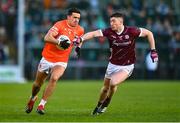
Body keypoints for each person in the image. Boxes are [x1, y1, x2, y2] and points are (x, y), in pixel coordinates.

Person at [73, 12, 158, 115]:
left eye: (114, 21)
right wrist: (81, 39)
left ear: (121, 22)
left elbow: (149, 33)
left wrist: (153, 50)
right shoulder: (109, 32)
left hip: (127, 66)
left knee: (113, 83)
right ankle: (99, 105)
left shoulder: (132, 31)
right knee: (105, 88)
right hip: (112, 65)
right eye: (110, 21)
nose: (111, 23)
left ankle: (107, 101)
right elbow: (93, 33)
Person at [25, 8, 84, 115]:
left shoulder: (80, 29)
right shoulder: (59, 25)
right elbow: (47, 38)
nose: (76, 20)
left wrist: (78, 47)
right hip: (47, 58)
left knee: (54, 78)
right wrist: (59, 42)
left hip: (61, 60)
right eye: (75, 17)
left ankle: (41, 105)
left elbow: (79, 40)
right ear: (68, 17)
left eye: (78, 18)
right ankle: (33, 98)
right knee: (37, 84)